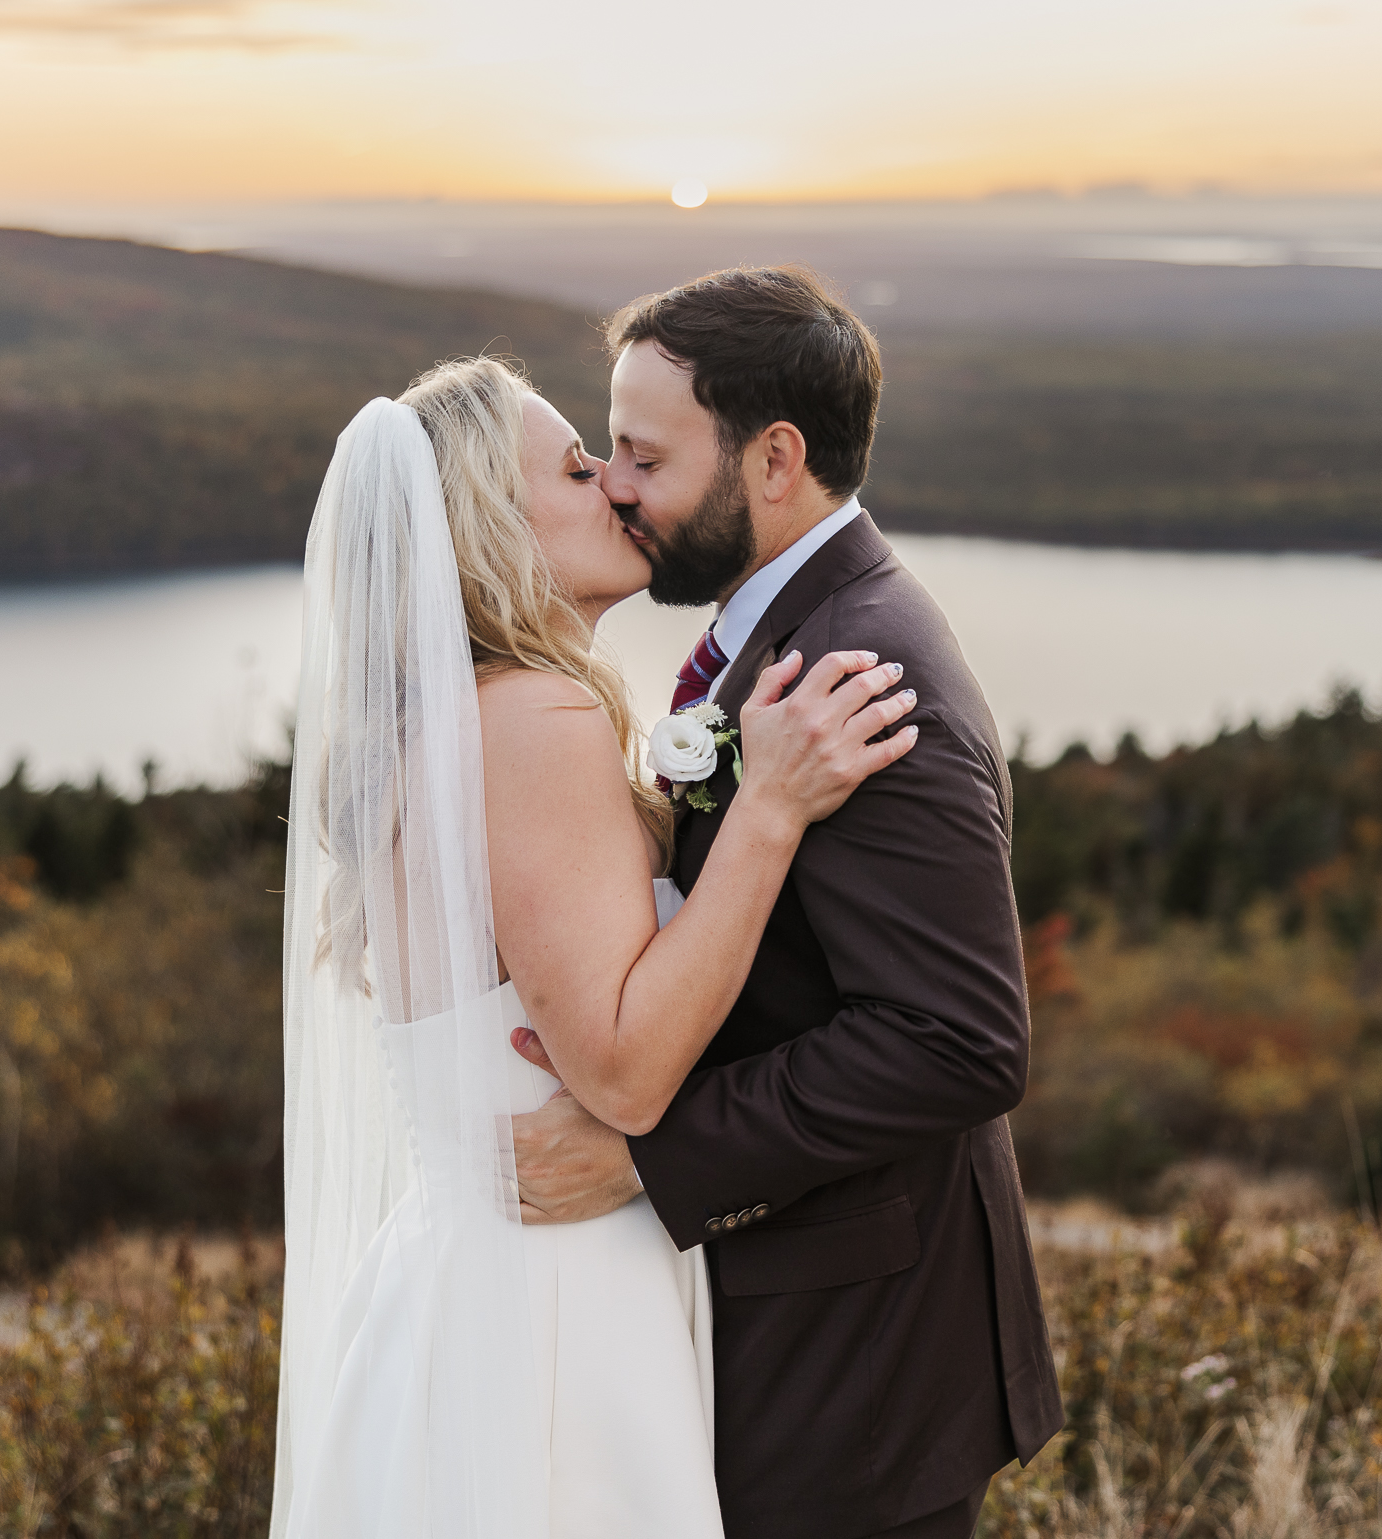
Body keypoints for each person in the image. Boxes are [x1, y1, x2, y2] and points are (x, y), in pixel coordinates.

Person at [271, 357, 916, 1539]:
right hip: (553, 1308)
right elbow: (620, 1070)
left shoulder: (456, 718)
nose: (618, 488)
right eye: (577, 467)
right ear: (488, 523)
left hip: (470, 1281)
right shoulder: (532, 717)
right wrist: (767, 809)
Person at [510, 266, 1065, 1539]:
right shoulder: (777, 639)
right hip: (814, 1329)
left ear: (773, 458)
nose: (617, 485)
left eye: (645, 454)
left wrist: (655, 1156)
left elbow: (957, 1040)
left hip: (861, 1365)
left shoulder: (864, 680)